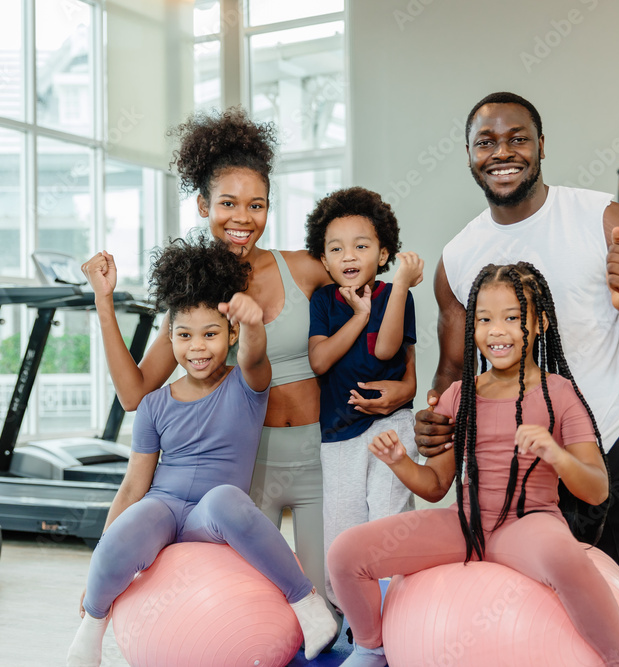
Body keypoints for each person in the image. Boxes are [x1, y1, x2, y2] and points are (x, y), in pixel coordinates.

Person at [80, 107, 415, 627]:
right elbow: (134, 392)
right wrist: (103, 303)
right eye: (228, 203)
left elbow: (380, 305)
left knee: (331, 592)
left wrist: (406, 385)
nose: (243, 217)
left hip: (319, 451)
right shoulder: (194, 294)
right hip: (248, 466)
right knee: (255, 606)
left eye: (256, 205)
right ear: (202, 205)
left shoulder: (303, 266)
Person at [415, 92, 619, 667]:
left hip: (607, 458)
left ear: (541, 145)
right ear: (470, 155)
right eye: (486, 141)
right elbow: (453, 370)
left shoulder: (605, 220)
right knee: (537, 633)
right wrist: (434, 419)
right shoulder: (459, 256)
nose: (502, 152)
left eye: (517, 137)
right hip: (515, 480)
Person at [329, 263, 619, 667]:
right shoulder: (460, 394)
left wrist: (556, 453)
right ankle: (371, 647)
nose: (497, 330)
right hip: (466, 525)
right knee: (346, 554)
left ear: (540, 322)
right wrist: (401, 463)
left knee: (567, 559)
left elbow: (597, 489)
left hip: (528, 524)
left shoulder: (560, 394)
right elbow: (436, 484)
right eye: (484, 319)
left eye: (512, 318)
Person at [67, 237, 337, 667]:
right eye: (184, 335)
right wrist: (102, 562)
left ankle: (308, 604)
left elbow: (254, 357)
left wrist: (252, 324)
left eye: (211, 334)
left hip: (210, 517)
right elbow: (134, 486)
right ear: (170, 336)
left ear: (229, 334)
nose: (197, 347)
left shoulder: (247, 386)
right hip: (165, 508)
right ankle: (93, 625)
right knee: (136, 515)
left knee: (226, 499)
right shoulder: (154, 404)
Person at [304, 187, 423, 606]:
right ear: (324, 260)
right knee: (343, 525)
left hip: (390, 423)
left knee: (388, 517)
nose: (349, 256)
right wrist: (359, 315)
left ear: (384, 253)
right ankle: (354, 614)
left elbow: (387, 350)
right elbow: (320, 360)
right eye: (336, 248)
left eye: (361, 245)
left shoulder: (396, 295)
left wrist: (402, 285)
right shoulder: (323, 301)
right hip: (337, 433)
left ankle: (394, 607)